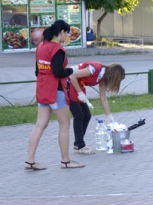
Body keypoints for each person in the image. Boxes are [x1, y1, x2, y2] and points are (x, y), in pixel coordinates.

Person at [24, 19, 85, 170]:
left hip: (42, 89)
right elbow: (58, 72)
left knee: (40, 125)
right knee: (64, 125)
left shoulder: (41, 46)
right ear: (61, 32)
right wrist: (72, 70)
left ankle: (29, 161)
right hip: (56, 91)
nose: (67, 37)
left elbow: (37, 71)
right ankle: (66, 161)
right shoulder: (57, 49)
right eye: (67, 33)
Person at [67, 62, 126, 154]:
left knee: (87, 115)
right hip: (68, 84)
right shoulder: (94, 69)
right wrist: (80, 93)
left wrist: (109, 116)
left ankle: (77, 143)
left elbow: (103, 97)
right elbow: (72, 75)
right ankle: (80, 146)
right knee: (79, 115)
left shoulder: (102, 77)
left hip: (78, 86)